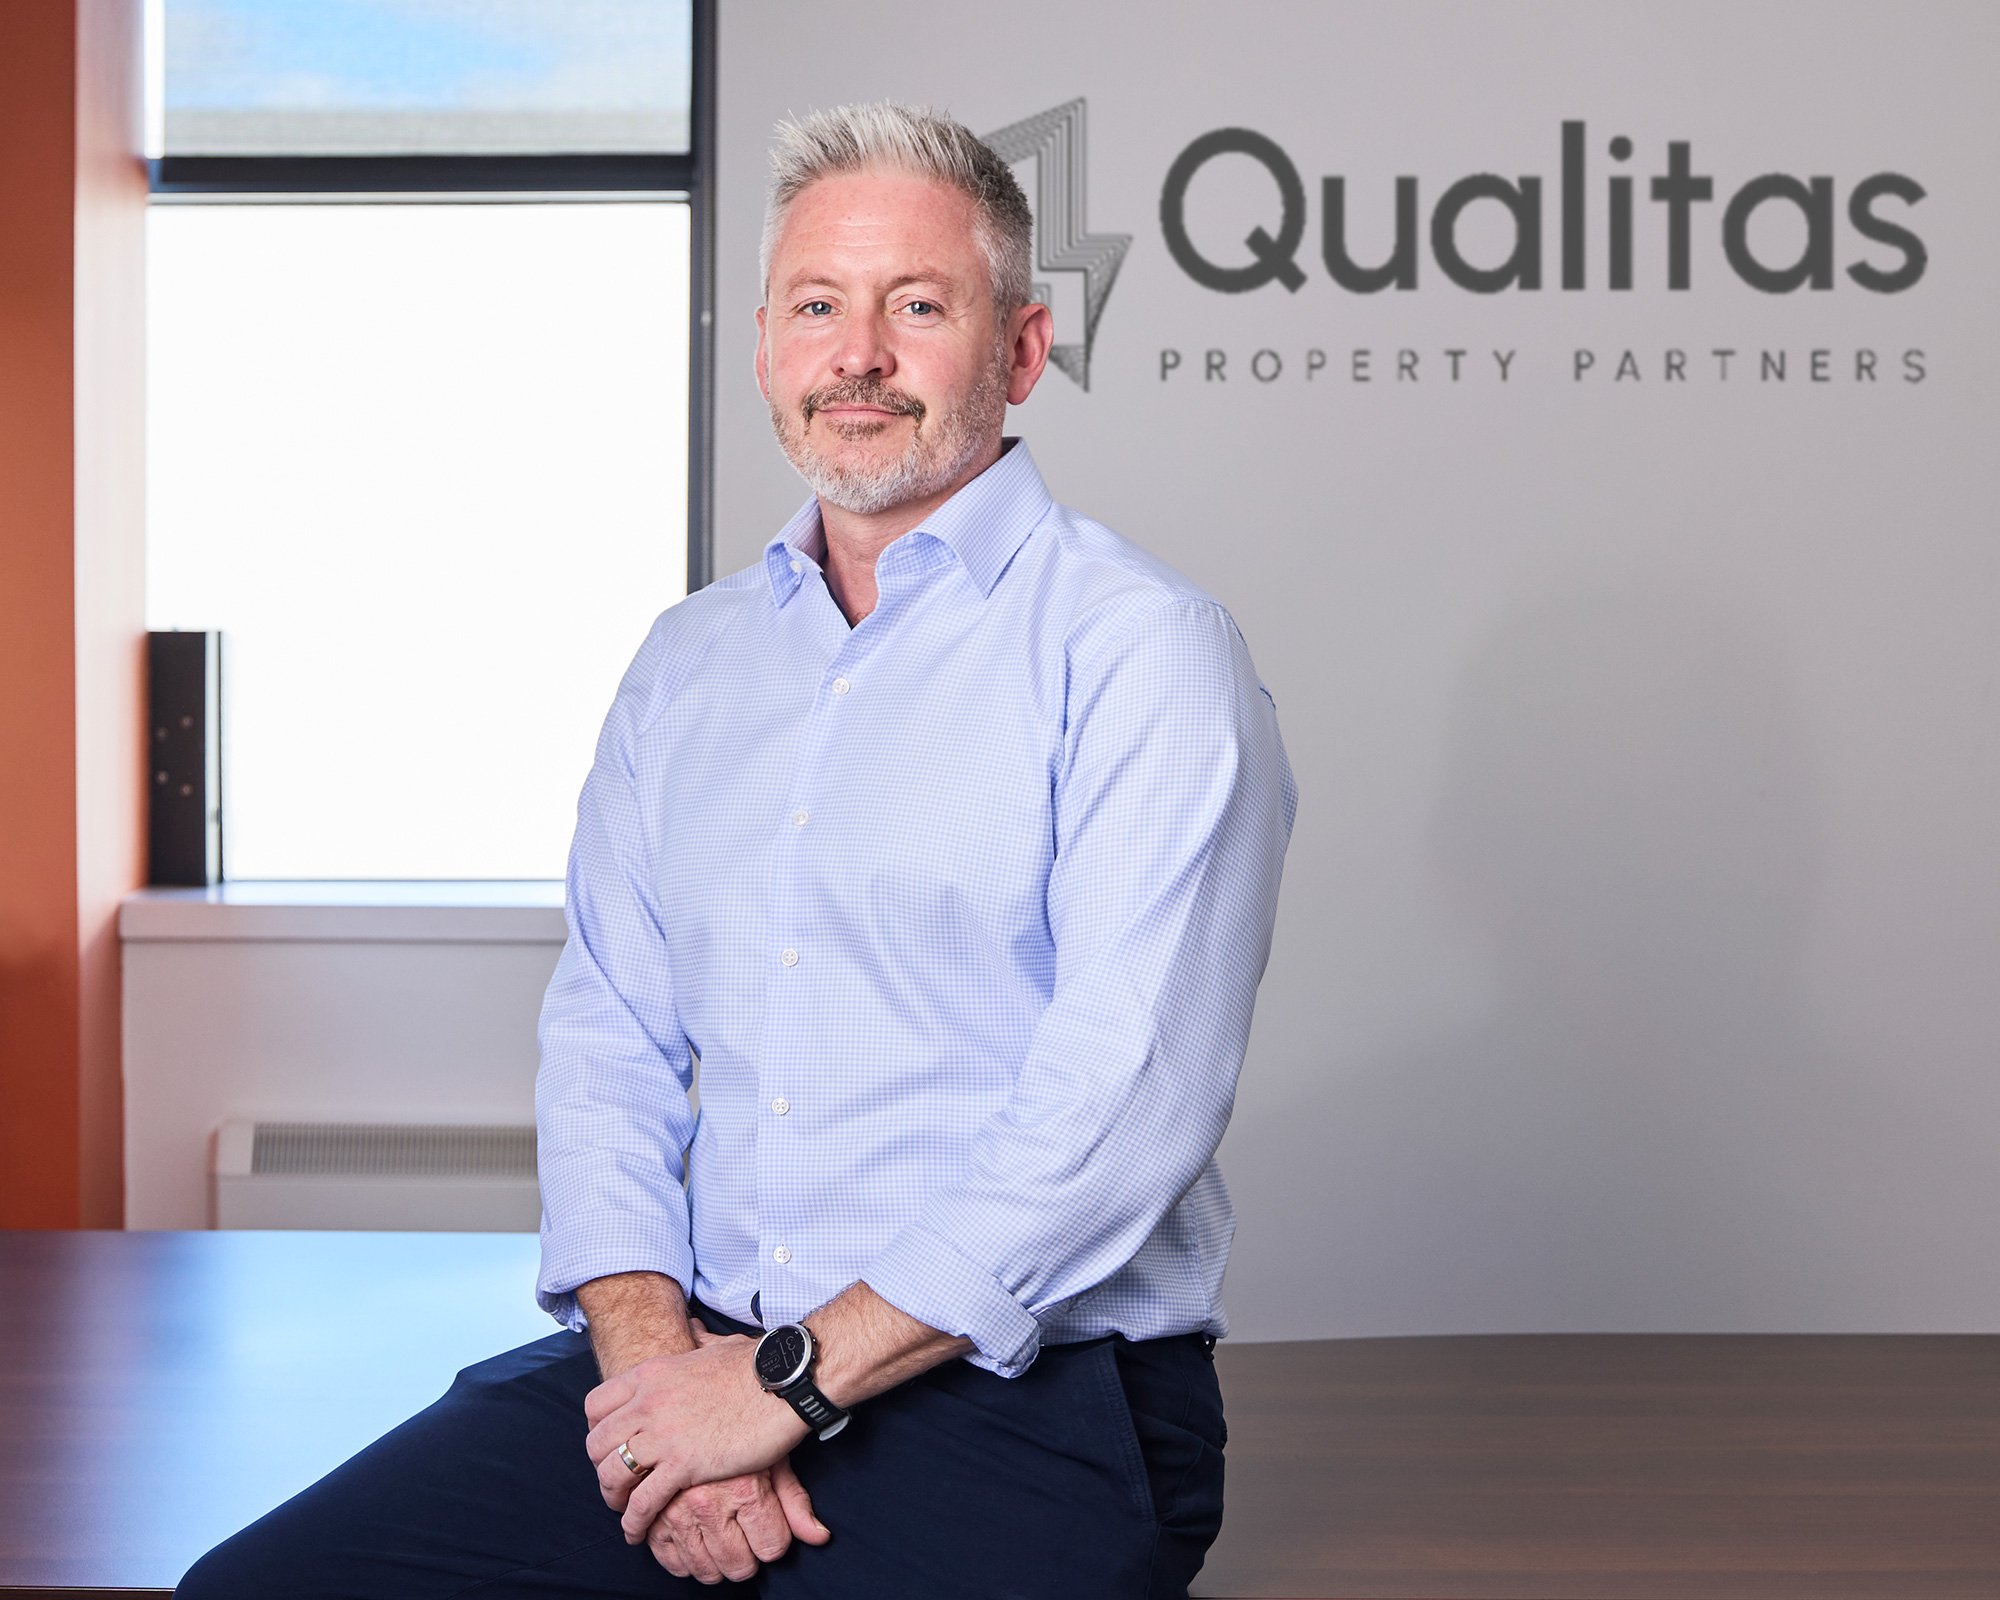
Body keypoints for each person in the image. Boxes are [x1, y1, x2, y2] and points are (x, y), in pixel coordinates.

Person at [178, 101, 1295, 1600]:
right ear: (766, 347)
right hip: (694, 1349)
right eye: (819, 307)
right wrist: (662, 1388)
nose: (861, 355)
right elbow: (610, 1041)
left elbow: (1123, 1101)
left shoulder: (1142, 651)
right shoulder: (689, 663)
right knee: (253, 1594)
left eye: (919, 307)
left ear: (1021, 351)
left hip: (1023, 1399)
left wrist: (782, 1386)